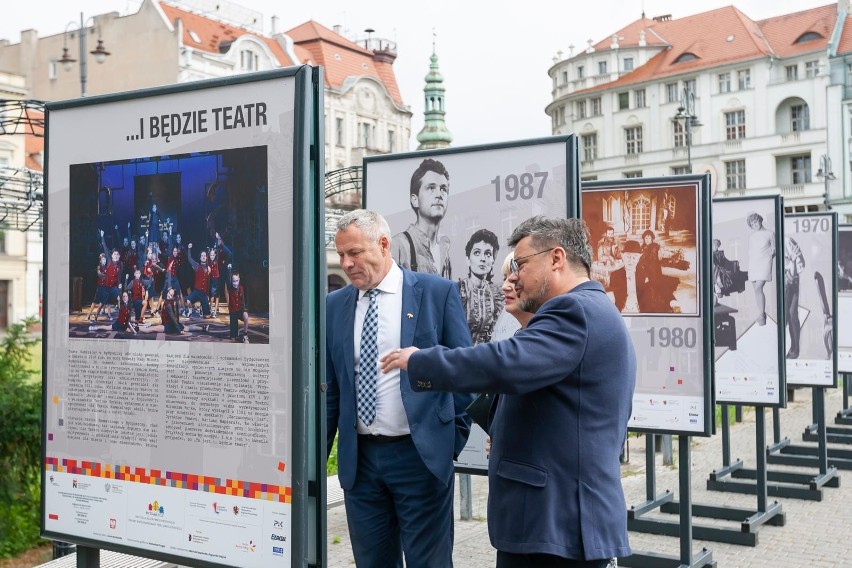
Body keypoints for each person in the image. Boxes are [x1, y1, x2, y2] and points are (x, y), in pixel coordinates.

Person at [381, 215, 636, 567]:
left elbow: (506, 363)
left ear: (557, 258)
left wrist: (421, 362)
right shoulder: (588, 310)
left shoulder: (573, 310)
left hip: (557, 525)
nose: (513, 276)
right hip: (554, 524)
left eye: (520, 264)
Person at [326, 209, 474, 568]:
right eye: (341, 254)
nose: (346, 263)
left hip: (419, 459)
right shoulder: (334, 306)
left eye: (354, 253)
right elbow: (332, 389)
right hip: (361, 465)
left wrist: (448, 444)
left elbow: (464, 376)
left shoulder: (436, 294)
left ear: (383, 244)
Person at [391, 158, 452, 278]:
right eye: (431, 188)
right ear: (415, 200)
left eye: (443, 189)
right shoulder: (399, 245)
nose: (439, 195)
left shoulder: (444, 251)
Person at [458, 228, 504, 344]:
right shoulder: (457, 290)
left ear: (493, 260)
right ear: (468, 259)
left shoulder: (496, 294)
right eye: (477, 253)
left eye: (488, 254)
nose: (482, 259)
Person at [746, 213, 775, 326]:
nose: (754, 225)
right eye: (752, 224)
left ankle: (762, 315)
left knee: (758, 288)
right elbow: (751, 251)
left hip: (764, 263)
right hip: (753, 264)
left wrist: (768, 259)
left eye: (755, 222)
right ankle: (761, 315)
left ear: (760, 220)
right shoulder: (752, 236)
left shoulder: (770, 233)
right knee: (756, 290)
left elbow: (774, 249)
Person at [785, 236, 805, 359]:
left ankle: (793, 349)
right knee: (792, 315)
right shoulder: (786, 239)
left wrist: (792, 274)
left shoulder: (785, 239)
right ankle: (794, 350)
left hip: (787, 277)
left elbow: (798, 258)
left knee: (788, 316)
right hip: (792, 277)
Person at [185, 243, 212, 318]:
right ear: (200, 258)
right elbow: (189, 259)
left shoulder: (208, 268)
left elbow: (208, 283)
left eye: (204, 256)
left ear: (206, 258)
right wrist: (189, 249)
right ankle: (190, 311)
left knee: (207, 316)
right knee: (188, 301)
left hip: (203, 293)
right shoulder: (197, 266)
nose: (203, 257)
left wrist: (207, 295)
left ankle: (202, 309)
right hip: (196, 291)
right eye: (202, 256)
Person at [226, 267, 250, 343]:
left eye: (236, 281)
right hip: (233, 312)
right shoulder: (230, 288)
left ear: (239, 280)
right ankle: (235, 332)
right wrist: (229, 270)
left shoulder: (242, 288)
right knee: (233, 338)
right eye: (233, 281)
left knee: (246, 316)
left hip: (240, 310)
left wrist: (244, 310)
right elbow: (227, 280)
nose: (235, 283)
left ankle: (245, 335)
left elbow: (244, 300)